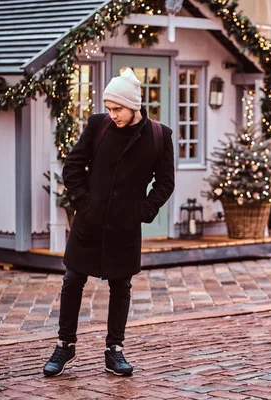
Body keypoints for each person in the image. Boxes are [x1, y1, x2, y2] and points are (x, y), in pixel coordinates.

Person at [43, 68, 175, 377]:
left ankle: (114, 351)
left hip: (124, 226)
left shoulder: (159, 135)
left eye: (117, 108)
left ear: (133, 106)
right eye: (109, 107)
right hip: (89, 222)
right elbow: (73, 165)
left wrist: (143, 211)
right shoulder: (98, 126)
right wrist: (83, 202)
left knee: (121, 285)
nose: (112, 114)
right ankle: (65, 345)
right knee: (73, 279)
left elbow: (165, 183)